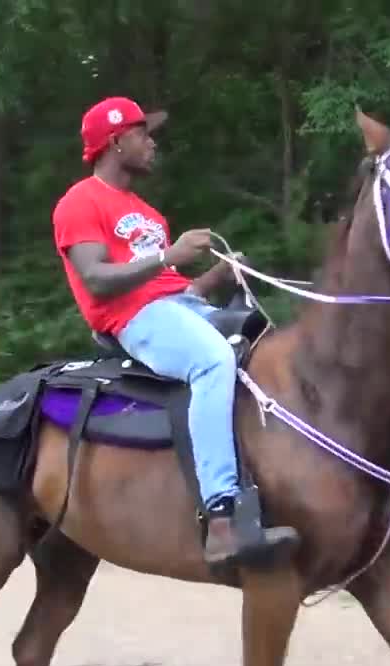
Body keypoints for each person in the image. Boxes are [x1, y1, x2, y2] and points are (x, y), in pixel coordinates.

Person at [50, 96, 299, 568]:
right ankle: (221, 516)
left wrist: (216, 278)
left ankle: (278, 489)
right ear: (115, 140)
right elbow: (97, 280)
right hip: (130, 319)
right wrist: (169, 255)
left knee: (270, 352)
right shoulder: (79, 201)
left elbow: (176, 291)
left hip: (177, 308)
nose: (151, 143)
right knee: (212, 362)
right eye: (143, 134)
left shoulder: (148, 213)